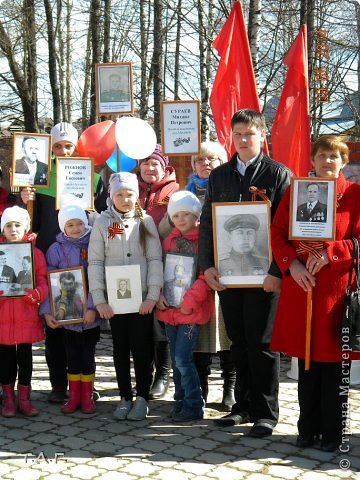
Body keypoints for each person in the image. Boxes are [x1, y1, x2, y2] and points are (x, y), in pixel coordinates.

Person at [199, 109, 291, 438]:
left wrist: (277, 270)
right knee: (237, 343)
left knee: (262, 344)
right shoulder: (220, 175)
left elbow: (286, 227)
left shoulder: (278, 174)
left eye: (248, 133)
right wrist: (206, 265)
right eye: (237, 133)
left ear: (261, 136)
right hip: (229, 276)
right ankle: (243, 406)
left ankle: (266, 412)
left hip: (265, 277)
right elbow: (209, 223)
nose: (242, 139)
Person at [270, 135, 360, 452]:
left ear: (344, 161)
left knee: (335, 364)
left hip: (336, 294)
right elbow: (277, 233)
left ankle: (334, 433)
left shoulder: (356, 196)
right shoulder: (295, 192)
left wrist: (332, 253)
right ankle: (307, 429)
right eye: (321, 155)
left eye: (334, 156)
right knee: (306, 364)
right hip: (302, 287)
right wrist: (290, 265)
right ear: (313, 159)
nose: (327, 161)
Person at [21, 122, 107, 404]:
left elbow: (109, 221)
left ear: (77, 147)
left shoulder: (92, 175)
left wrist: (95, 215)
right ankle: (59, 384)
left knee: (85, 326)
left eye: (68, 145)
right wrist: (25, 201)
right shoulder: (40, 176)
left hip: (85, 258)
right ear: (52, 149)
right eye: (58, 146)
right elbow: (27, 223)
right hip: (51, 258)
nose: (63, 150)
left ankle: (85, 382)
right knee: (56, 325)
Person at [88, 172, 163, 421]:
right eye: (119, 194)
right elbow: (96, 261)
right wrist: (99, 299)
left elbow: (154, 259)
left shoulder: (146, 222)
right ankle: (124, 396)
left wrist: (152, 295)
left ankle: (142, 396)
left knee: (142, 350)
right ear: (110, 195)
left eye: (129, 193)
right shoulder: (102, 223)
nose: (124, 198)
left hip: (141, 301)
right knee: (120, 350)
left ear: (137, 195)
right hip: (114, 303)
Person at [186, 142, 236, 411]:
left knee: (227, 332)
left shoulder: (230, 190)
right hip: (195, 274)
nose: (206, 163)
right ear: (193, 164)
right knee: (200, 331)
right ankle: (201, 386)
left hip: (228, 269)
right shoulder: (184, 195)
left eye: (212, 159)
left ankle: (230, 388)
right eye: (200, 159)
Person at [157, 191, 212, 422]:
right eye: (176, 215)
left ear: (196, 215)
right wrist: (158, 293)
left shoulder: (203, 242)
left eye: (186, 214)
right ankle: (179, 401)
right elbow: (159, 270)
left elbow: (204, 276)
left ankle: (193, 403)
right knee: (175, 358)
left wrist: (189, 302)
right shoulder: (168, 240)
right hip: (169, 310)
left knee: (182, 358)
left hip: (190, 311)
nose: (181, 219)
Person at [40, 204, 100, 414]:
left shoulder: (95, 243)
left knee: (88, 355)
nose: (76, 229)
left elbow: (97, 277)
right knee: (72, 355)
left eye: (80, 224)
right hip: (67, 316)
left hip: (89, 315)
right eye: (70, 225)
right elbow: (49, 283)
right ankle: (74, 396)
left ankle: (88, 396)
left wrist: (93, 306)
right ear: (62, 227)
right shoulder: (55, 250)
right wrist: (49, 310)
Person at [137, 144, 179, 399]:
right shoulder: (129, 188)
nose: (150, 168)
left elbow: (179, 223)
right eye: (145, 163)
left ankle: (162, 375)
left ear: (164, 166)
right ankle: (145, 372)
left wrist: (153, 234)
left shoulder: (174, 190)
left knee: (159, 319)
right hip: (133, 263)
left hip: (163, 259)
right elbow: (116, 227)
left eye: (155, 164)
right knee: (140, 319)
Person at [0, 206, 48, 417]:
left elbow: (43, 281)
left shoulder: (35, 253)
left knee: (26, 359)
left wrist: (37, 294)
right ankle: (9, 399)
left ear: (25, 227)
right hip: (2, 317)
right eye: (8, 225)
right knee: (5, 360)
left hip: (26, 315)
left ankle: (25, 398)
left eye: (17, 225)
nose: (13, 229)